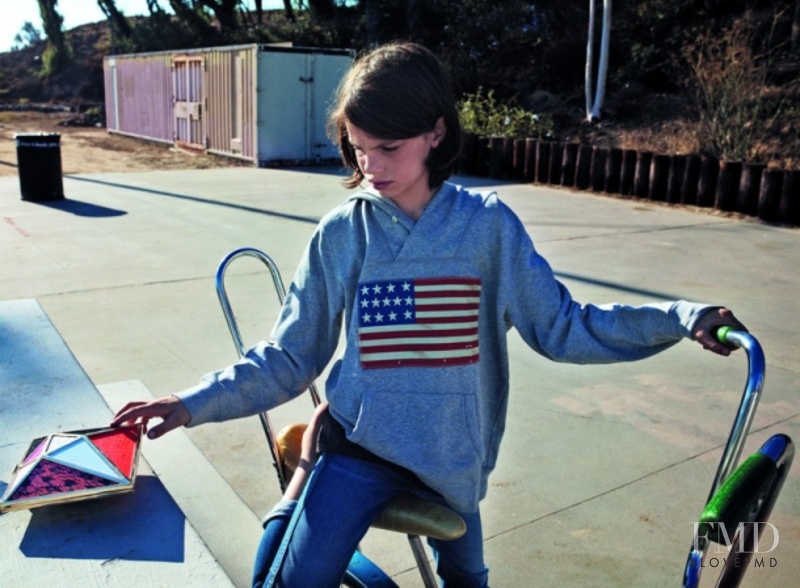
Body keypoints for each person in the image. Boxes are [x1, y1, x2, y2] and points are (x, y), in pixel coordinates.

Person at [111, 41, 745, 587]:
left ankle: (307, 482)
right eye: (358, 148)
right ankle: (305, 477)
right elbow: (289, 355)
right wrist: (188, 402)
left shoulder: (486, 229)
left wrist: (680, 316)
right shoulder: (344, 233)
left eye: (388, 147)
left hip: (451, 458)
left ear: (436, 132)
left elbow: (564, 327)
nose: (371, 167)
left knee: (468, 579)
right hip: (357, 447)